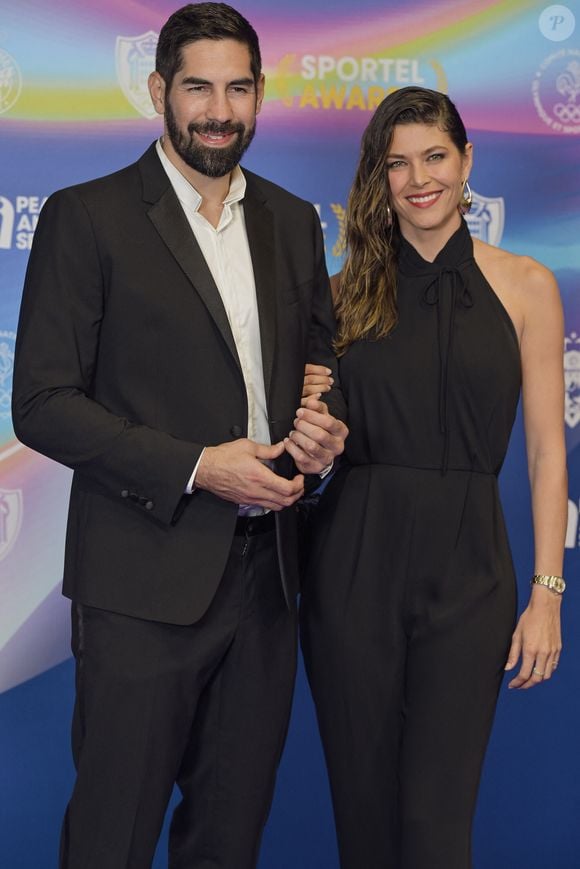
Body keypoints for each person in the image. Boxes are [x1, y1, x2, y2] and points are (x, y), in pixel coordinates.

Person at [11, 4, 347, 867]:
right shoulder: (87, 217)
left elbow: (316, 364)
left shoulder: (292, 220)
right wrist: (199, 466)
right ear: (158, 90)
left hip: (266, 584)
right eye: (197, 86)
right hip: (138, 586)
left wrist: (318, 434)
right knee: (111, 837)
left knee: (229, 840)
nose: (218, 110)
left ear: (261, 95)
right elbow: (42, 401)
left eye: (238, 88)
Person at [300, 86, 566, 869]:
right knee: (366, 831)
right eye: (398, 163)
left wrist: (547, 592)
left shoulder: (526, 287)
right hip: (352, 569)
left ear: (467, 160)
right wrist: (315, 437)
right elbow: (316, 439)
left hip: (470, 577)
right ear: (378, 178)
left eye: (435, 156)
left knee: (438, 832)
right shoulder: (342, 294)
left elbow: (548, 449)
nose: (420, 178)